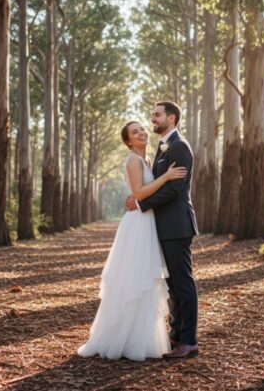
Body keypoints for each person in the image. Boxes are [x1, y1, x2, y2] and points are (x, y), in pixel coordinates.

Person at [77, 120, 187, 361]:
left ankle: (143, 336)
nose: (141, 133)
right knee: (134, 278)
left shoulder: (147, 160)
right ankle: (121, 337)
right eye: (134, 132)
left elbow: (144, 194)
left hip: (148, 221)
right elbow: (138, 194)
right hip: (137, 223)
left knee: (145, 278)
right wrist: (168, 176)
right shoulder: (134, 161)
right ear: (128, 141)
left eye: (142, 129)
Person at [126, 101, 199, 360]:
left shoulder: (179, 146)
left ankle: (189, 341)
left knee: (183, 284)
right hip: (163, 227)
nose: (153, 119)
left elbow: (173, 189)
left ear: (172, 117)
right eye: (152, 115)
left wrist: (141, 203)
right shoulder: (162, 148)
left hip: (177, 225)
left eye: (157, 115)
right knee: (172, 286)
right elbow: (156, 184)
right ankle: (177, 334)